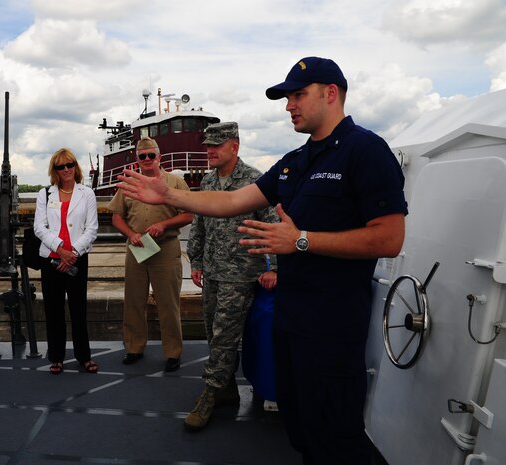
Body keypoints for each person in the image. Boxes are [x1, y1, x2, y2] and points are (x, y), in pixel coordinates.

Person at [117, 57, 407, 465]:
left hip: (331, 326)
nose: (289, 105)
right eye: (287, 97)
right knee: (302, 428)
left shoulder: (366, 151)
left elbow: (390, 238)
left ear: (331, 93)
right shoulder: (295, 161)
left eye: (298, 95)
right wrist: (171, 196)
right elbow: (234, 200)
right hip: (291, 320)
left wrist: (301, 241)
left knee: (337, 437)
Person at [184, 122, 278, 431]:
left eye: (216, 146)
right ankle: (227, 391)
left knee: (225, 337)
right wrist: (195, 261)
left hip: (240, 275)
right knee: (213, 333)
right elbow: (198, 224)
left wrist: (273, 267)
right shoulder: (208, 182)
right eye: (208, 146)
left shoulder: (254, 181)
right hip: (212, 271)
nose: (209, 150)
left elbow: (273, 225)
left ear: (234, 147)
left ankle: (209, 394)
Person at [109, 137, 193, 372]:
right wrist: (130, 234)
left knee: (168, 304)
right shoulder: (128, 184)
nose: (147, 160)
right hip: (136, 248)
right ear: (137, 159)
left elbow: (188, 215)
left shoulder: (175, 183)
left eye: (151, 155)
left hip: (165, 248)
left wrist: (164, 225)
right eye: (142, 156)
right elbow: (117, 217)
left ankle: (173, 353)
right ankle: (134, 348)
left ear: (159, 157)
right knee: (134, 301)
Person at [33, 148, 98, 375]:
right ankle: (57, 356)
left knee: (78, 309)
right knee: (53, 310)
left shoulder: (87, 194)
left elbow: (92, 228)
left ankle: (84, 356)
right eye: (61, 166)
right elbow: (39, 227)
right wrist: (60, 250)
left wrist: (73, 253)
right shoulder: (45, 194)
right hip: (51, 260)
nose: (66, 169)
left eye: (69, 164)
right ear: (55, 171)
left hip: (77, 259)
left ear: (75, 166)